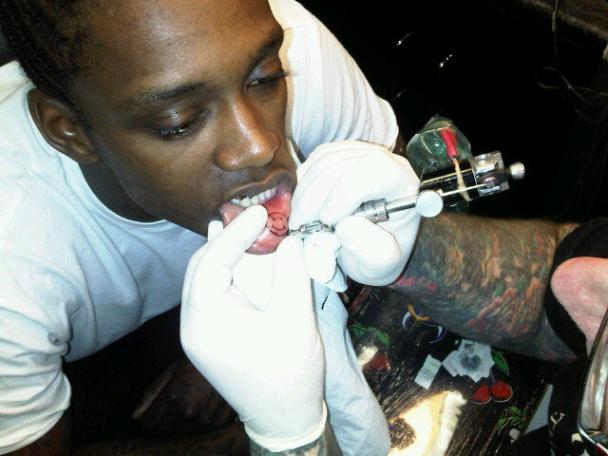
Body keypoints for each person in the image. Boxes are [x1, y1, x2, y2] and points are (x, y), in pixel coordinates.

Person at [0, 0, 421, 454]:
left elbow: (394, 209)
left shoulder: (288, 42)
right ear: (70, 131)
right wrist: (274, 430)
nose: (258, 145)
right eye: (178, 123)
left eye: (266, 79)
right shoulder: (14, 264)